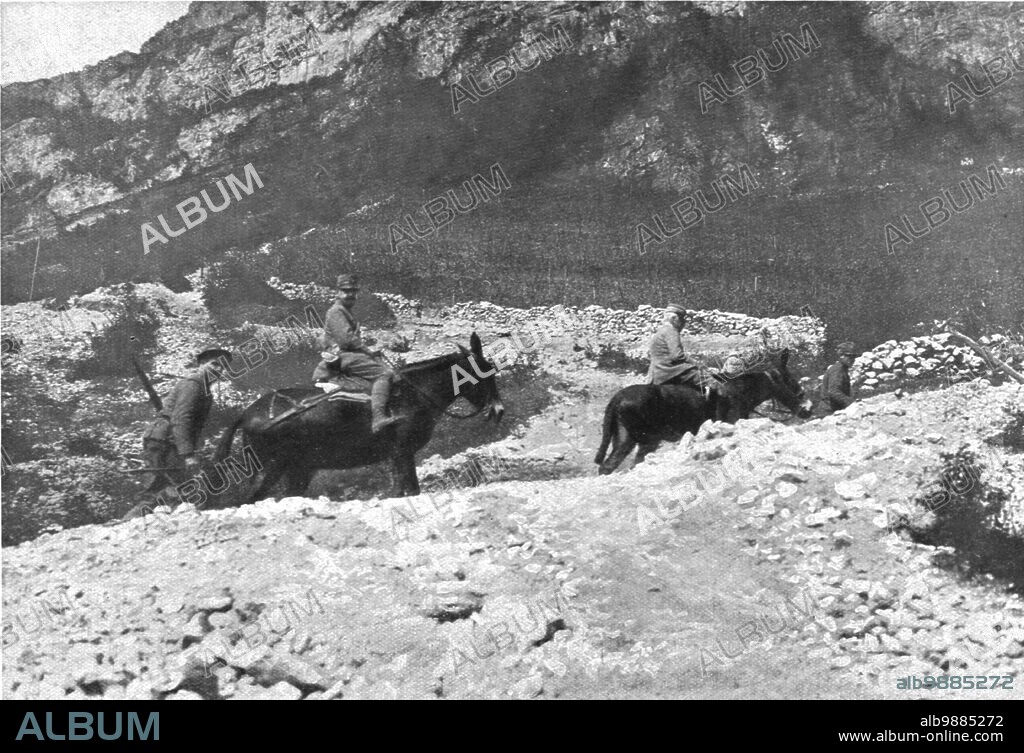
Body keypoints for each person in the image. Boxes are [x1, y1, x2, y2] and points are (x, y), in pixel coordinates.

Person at [140, 347, 231, 496]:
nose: (219, 369)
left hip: (168, 441)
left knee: (167, 490)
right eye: (215, 364)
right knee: (171, 490)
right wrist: (188, 455)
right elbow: (181, 419)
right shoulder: (193, 385)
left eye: (223, 367)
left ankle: (145, 517)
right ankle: (136, 518)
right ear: (201, 364)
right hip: (165, 442)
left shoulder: (202, 388)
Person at [321, 273, 401, 432]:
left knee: (395, 375)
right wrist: (368, 351)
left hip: (349, 354)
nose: (350, 294)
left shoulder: (345, 311)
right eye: (345, 291)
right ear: (337, 292)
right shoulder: (336, 311)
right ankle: (378, 418)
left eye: (353, 291)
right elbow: (346, 340)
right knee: (384, 374)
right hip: (342, 356)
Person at [648, 303, 720, 412]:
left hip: (656, 371)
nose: (682, 324)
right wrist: (697, 363)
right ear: (674, 318)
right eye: (681, 320)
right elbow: (677, 356)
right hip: (669, 370)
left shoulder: (660, 331)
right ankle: (714, 413)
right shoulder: (671, 331)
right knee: (713, 382)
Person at [822, 341, 856, 411]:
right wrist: (852, 404)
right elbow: (834, 391)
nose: (852, 359)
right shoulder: (838, 370)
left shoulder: (842, 369)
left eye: (854, 356)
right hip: (829, 411)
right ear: (841, 356)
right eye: (849, 356)